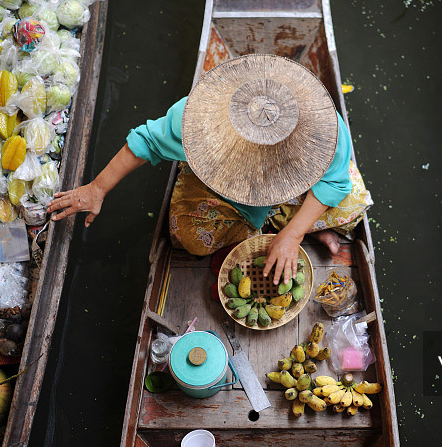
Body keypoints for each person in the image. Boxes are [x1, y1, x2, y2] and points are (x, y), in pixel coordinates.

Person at [48, 54, 372, 285]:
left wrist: (293, 234)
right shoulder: (198, 120)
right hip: (229, 192)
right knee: (192, 239)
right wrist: (98, 188)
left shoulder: (322, 127)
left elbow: (335, 183)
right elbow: (147, 140)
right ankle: (286, 223)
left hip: (293, 188)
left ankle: (294, 225)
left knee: (354, 202)